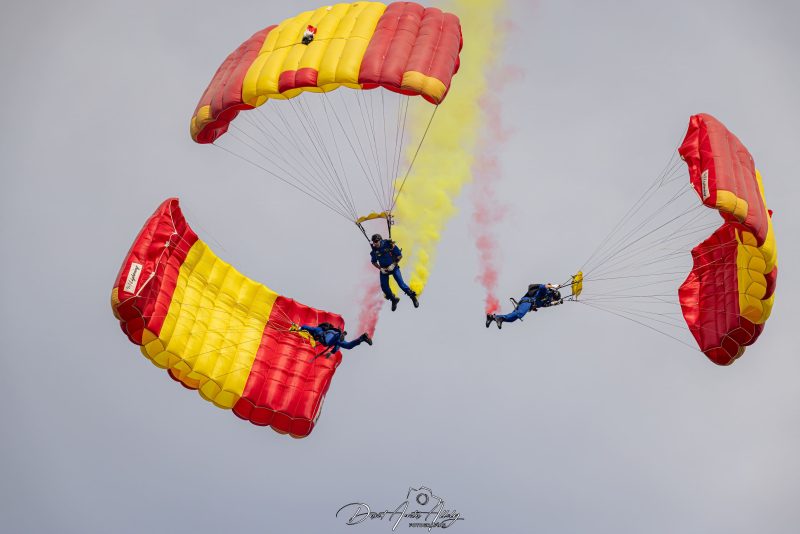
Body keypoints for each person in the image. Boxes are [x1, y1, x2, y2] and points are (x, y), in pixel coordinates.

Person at [370, 233, 419, 311]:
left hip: (393, 267)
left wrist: (393, 264)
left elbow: (399, 255)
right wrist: (380, 268)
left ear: (380, 240)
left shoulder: (389, 244)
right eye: (373, 241)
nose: (375, 243)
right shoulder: (374, 251)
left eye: (376, 241)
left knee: (401, 284)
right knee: (384, 288)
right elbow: (373, 261)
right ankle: (394, 299)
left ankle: (412, 296)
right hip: (384, 270)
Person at [485, 283, 562, 329]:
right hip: (527, 302)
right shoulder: (544, 293)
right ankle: (499, 318)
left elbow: (546, 305)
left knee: (512, 319)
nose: (552, 300)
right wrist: (553, 286)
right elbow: (542, 286)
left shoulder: (544, 301)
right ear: (552, 295)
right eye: (553, 299)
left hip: (526, 304)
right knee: (520, 314)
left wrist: (557, 303)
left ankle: (492, 317)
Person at [296, 322, 372, 357]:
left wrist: (300, 328)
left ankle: (340, 333)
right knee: (348, 346)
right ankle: (362, 338)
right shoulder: (322, 332)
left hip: (332, 335)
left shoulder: (319, 330)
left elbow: (308, 327)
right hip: (335, 337)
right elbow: (337, 346)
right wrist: (332, 352)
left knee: (328, 342)